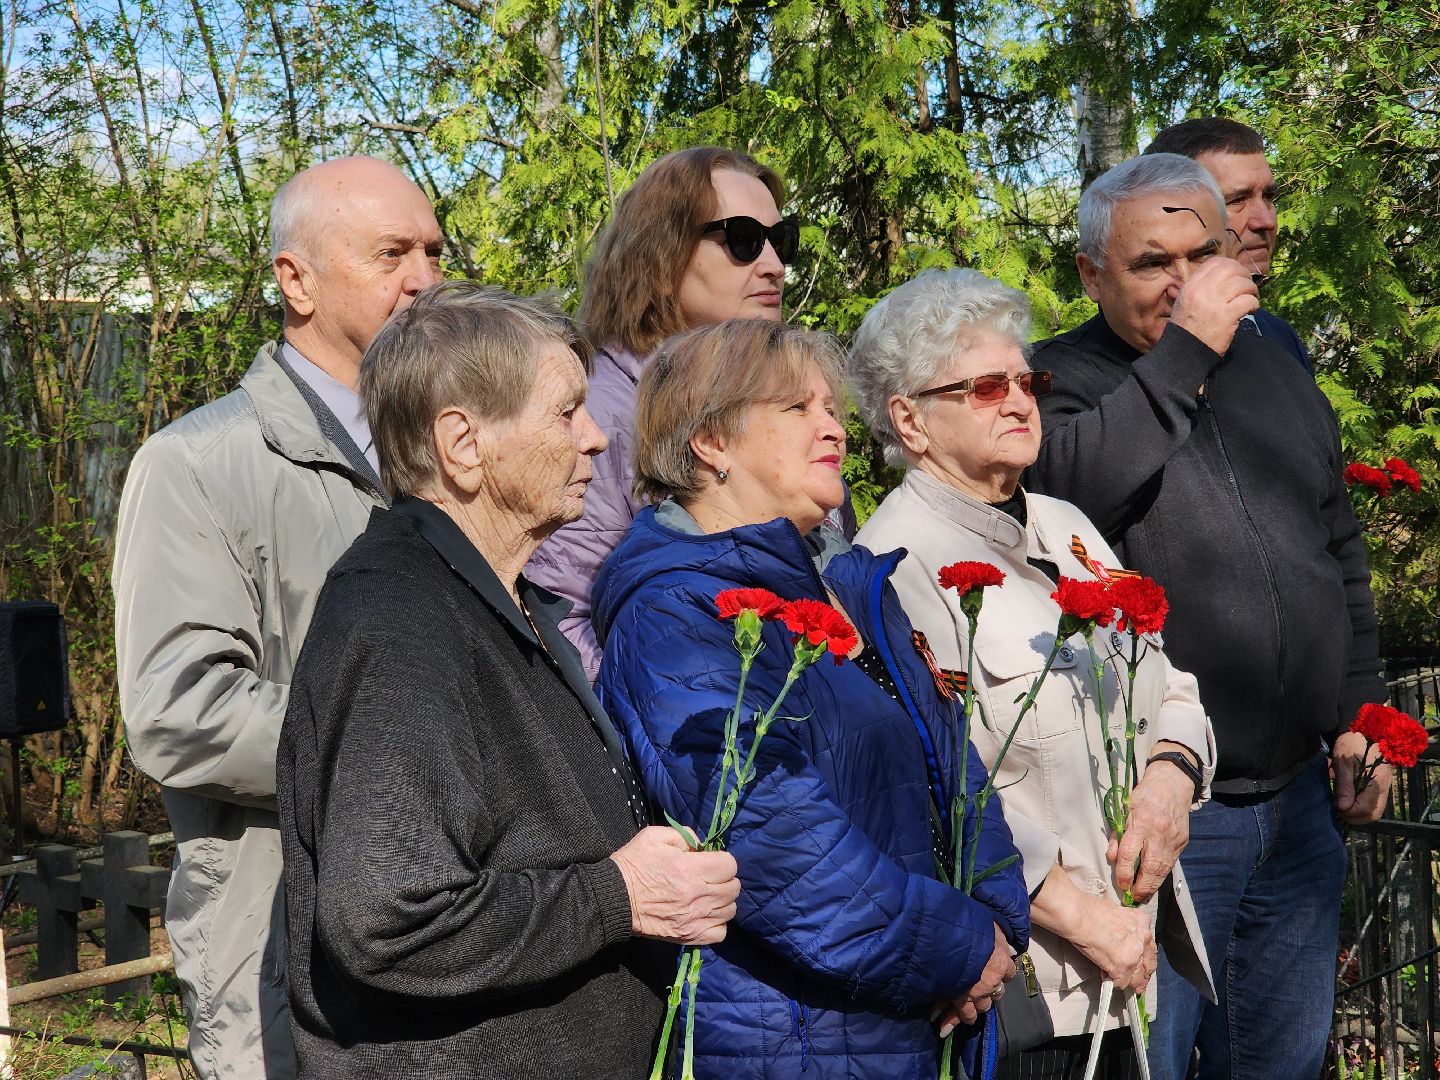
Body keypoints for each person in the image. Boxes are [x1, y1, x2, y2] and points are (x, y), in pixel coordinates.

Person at [277, 281, 741, 1076]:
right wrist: (622, 896)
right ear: (463, 443)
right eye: (566, 413)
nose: (597, 437)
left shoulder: (495, 598)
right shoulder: (400, 621)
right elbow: (386, 921)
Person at [1026, 153, 1389, 1080]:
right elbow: (1071, 489)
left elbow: (1335, 539)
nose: (1185, 285)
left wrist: (1362, 712)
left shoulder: (1273, 356)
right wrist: (1185, 352)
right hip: (1161, 813)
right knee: (1146, 1065)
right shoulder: (1058, 378)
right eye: (1153, 263)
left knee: (1282, 1064)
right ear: (1091, 274)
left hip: (1301, 799)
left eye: (1202, 256)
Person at [592, 318, 1031, 1079]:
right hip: (797, 1037)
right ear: (711, 442)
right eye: (797, 407)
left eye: (831, 407)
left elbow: (956, 766)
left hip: (913, 1019)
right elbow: (776, 844)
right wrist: (958, 947)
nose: (833, 427)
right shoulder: (675, 614)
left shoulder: (849, 586)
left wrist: (992, 923)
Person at [112, 156, 444, 1078]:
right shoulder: (198, 465)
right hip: (283, 948)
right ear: (295, 281)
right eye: (392, 254)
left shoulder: (450, 456)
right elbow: (180, 712)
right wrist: (410, 752)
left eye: (433, 252)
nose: (425, 278)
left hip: (445, 932)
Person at [851, 267, 1216, 1078]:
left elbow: (1168, 679)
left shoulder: (1066, 524)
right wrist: (1087, 922)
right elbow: (941, 793)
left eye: (1029, 381)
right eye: (987, 387)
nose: (1020, 402)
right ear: (910, 419)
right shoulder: (890, 567)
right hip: (1030, 997)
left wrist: (1172, 773)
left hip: (1132, 966)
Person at [528, 145, 851, 680]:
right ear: (662, 251)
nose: (774, 266)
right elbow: (561, 620)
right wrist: (684, 710)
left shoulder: (794, 403)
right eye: (743, 240)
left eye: (782, 240)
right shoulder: (596, 414)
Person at [1144, 117, 1311, 372]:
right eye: (1236, 200)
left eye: (1268, 196)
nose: (1266, 221)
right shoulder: (1141, 345)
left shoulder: (1278, 335)